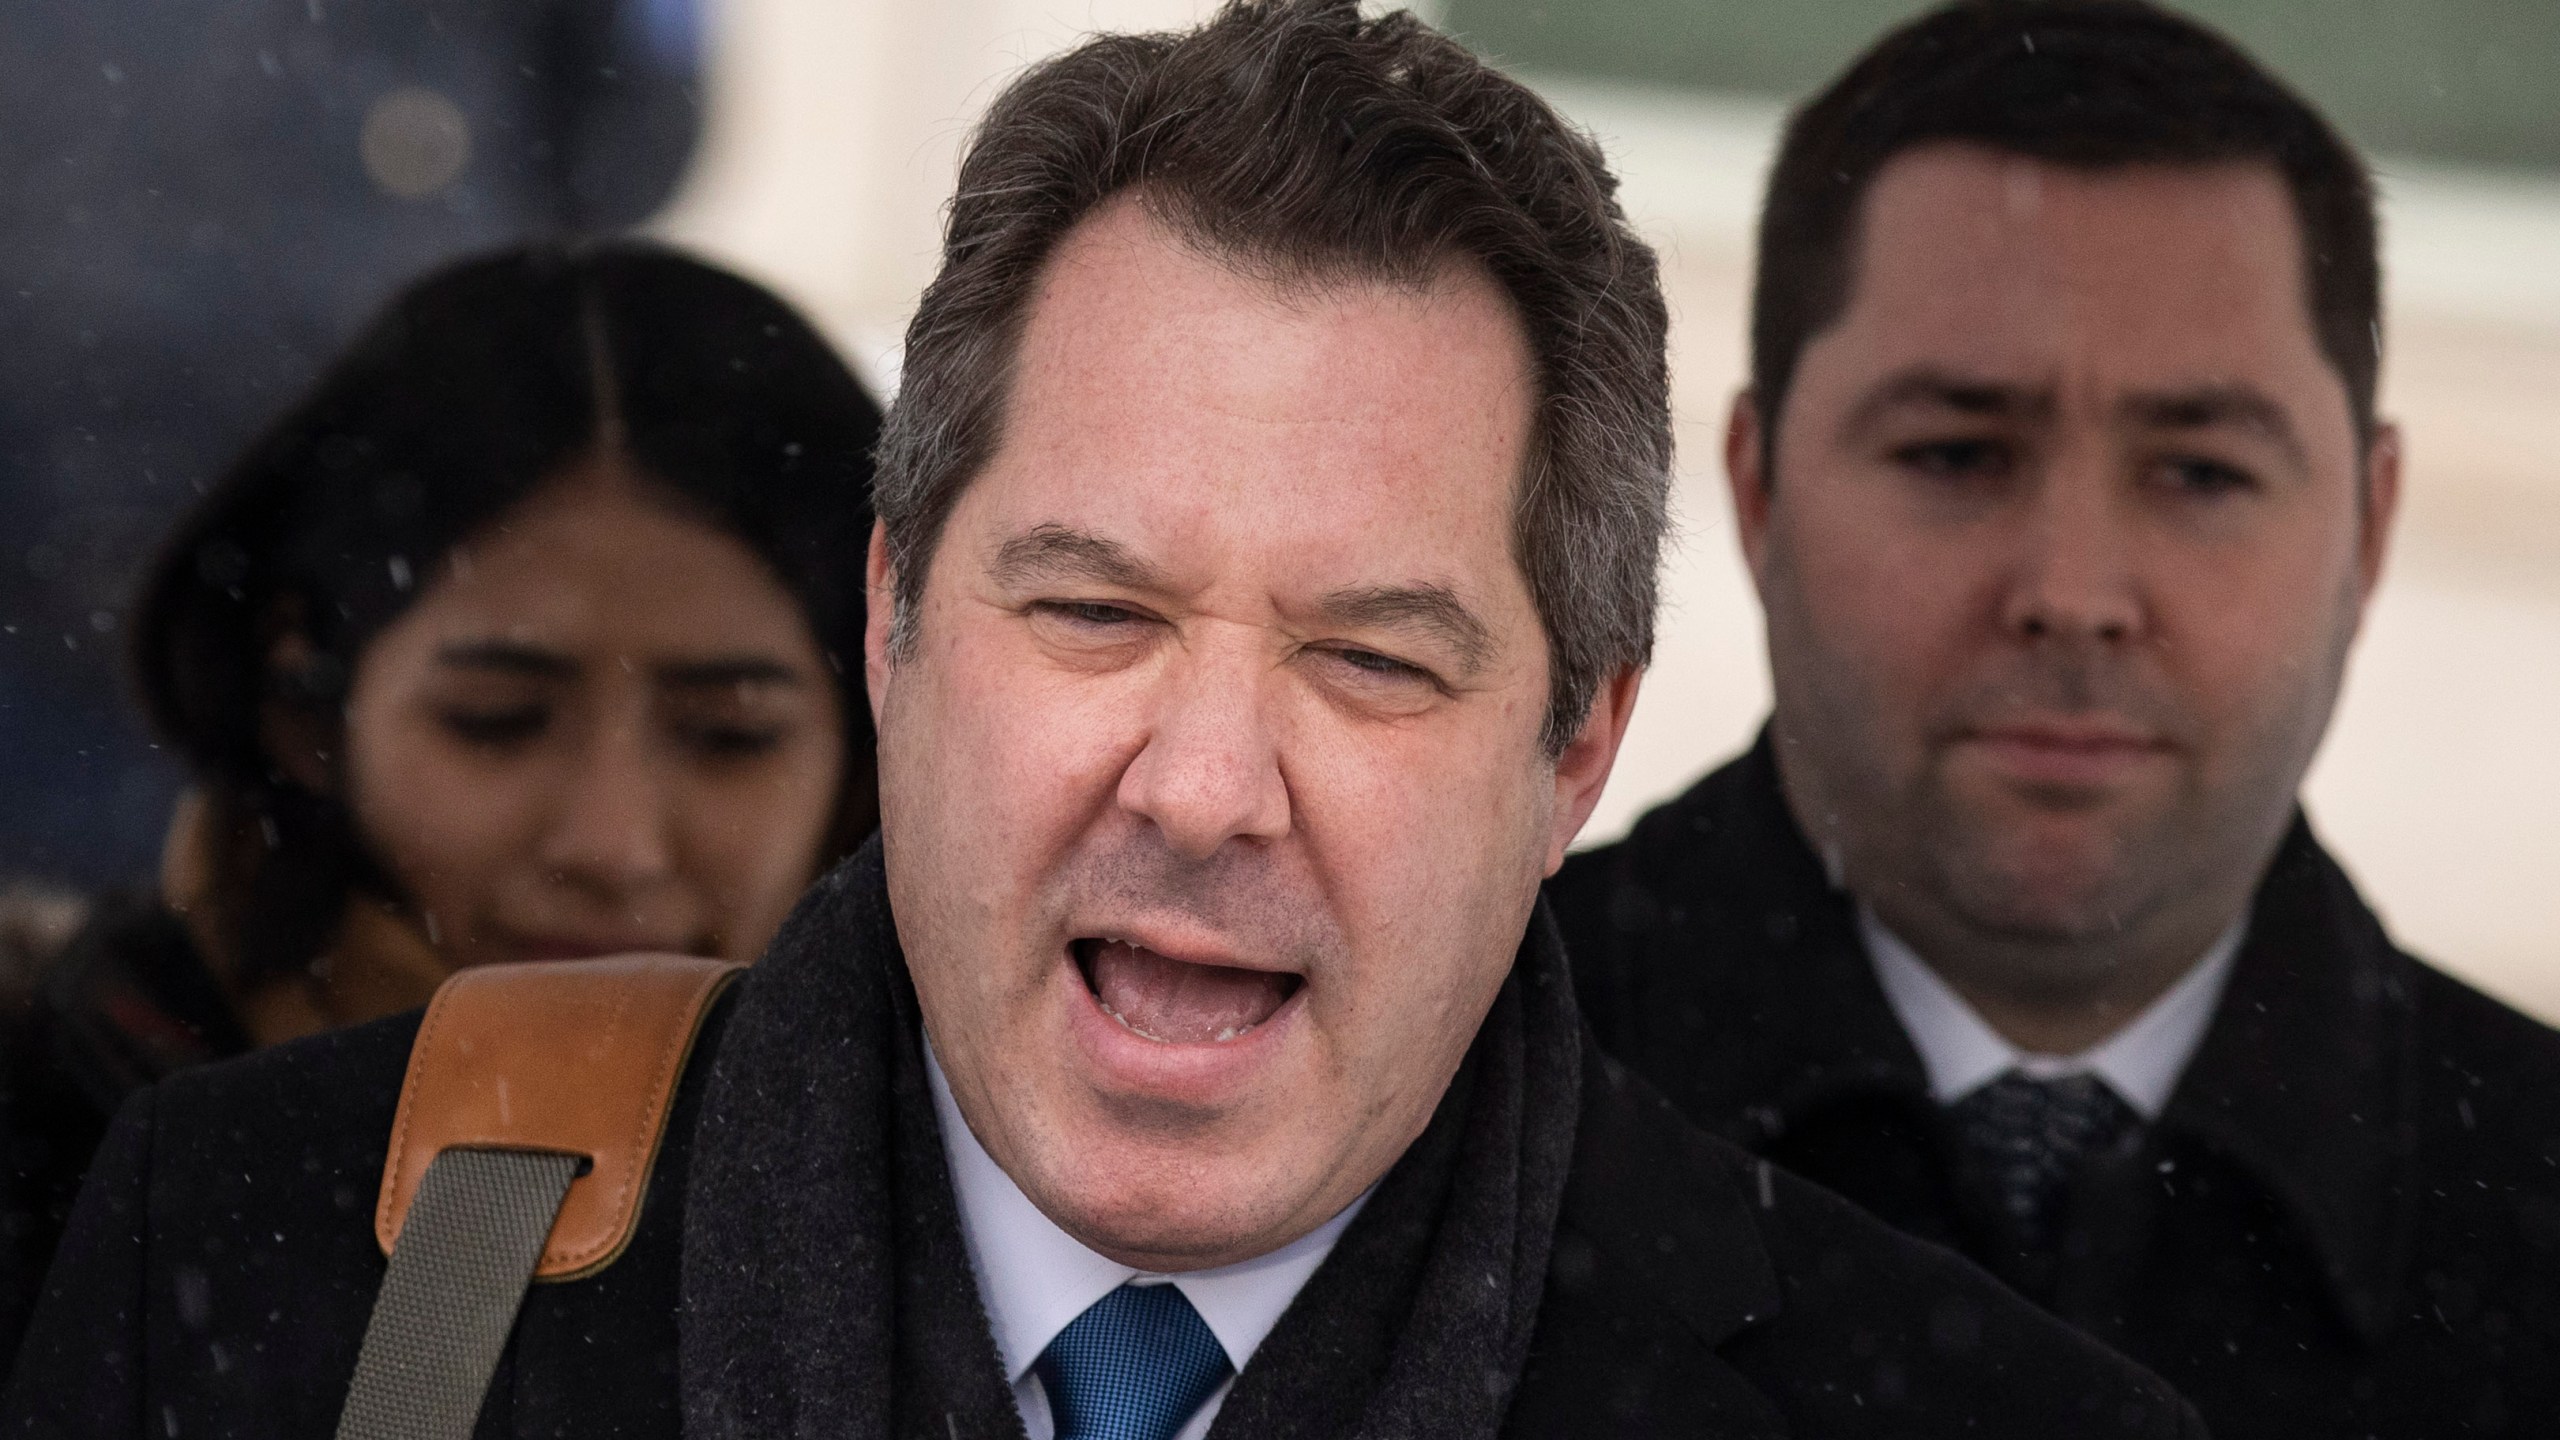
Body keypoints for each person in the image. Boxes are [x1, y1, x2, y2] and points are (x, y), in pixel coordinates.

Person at [5, 4, 2207, 1436]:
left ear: (1578, 752)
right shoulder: (268, 1265)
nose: (1203, 783)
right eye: (1091, 610)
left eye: (1370, 657)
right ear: (893, 627)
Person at [1548, 2, 2560, 1434]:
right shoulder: (1412, 1105)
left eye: (2201, 472)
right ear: (1757, 493)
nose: (2074, 593)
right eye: (1957, 451)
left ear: (2369, 528)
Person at [0, 240, 882, 1356]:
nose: (610, 843)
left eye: (728, 737)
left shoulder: (1000, 1217)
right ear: (305, 707)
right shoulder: (54, 1159)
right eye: (495, 721)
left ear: (873, 748)